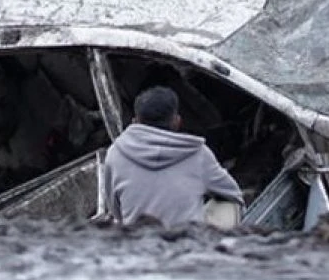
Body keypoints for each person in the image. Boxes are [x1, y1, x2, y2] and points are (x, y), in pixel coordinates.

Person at [101, 86, 244, 226]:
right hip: (188, 245)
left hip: (140, 246)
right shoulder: (198, 154)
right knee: (227, 205)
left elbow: (116, 211)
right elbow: (233, 196)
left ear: (135, 122)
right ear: (177, 121)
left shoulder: (114, 156)